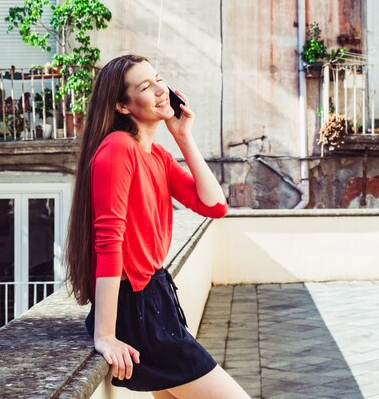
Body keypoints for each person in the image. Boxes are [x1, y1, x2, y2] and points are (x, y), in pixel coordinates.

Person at [65, 54, 249, 398]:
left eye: (159, 78)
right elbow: (109, 242)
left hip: (156, 299)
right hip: (134, 312)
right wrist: (104, 335)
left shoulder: (156, 155)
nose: (160, 90)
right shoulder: (118, 149)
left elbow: (214, 205)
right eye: (145, 86)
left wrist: (183, 136)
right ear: (122, 105)